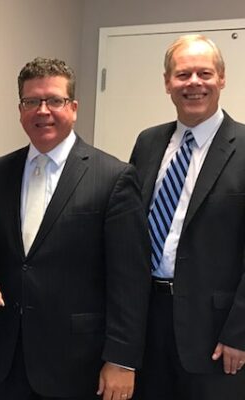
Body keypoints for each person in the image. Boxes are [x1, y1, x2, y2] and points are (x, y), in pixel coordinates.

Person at [0, 57, 151, 400]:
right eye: (31, 101)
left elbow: (131, 280)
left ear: (74, 107)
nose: (42, 110)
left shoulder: (113, 177)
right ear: (20, 109)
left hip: (79, 362)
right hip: (8, 355)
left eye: (54, 100)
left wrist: (122, 361)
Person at [130, 34, 245, 400]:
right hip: (147, 322)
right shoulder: (148, 143)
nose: (193, 83)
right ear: (167, 83)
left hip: (216, 335)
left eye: (204, 73)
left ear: (222, 78)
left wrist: (239, 333)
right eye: (182, 75)